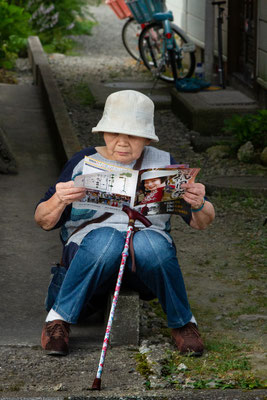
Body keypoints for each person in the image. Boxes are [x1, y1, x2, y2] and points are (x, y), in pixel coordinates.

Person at [34, 90, 215, 357]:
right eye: (114, 133)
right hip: (90, 256)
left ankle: (183, 324)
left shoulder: (164, 164)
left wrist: (199, 203)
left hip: (141, 263)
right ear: (103, 132)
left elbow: (202, 222)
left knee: (152, 243)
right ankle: (58, 320)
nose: (121, 142)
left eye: (132, 135)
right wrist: (60, 199)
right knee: (107, 239)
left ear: (146, 137)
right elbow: (43, 220)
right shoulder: (83, 163)